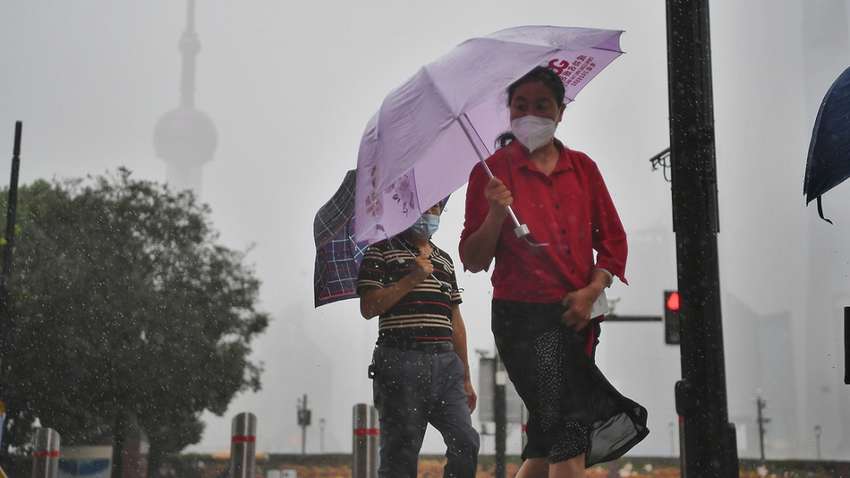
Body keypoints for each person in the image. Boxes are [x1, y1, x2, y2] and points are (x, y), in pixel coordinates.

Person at [459, 66, 648, 477]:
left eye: (542, 106)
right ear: (509, 111)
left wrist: (590, 291)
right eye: (520, 106)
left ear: (561, 111)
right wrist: (495, 213)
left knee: (549, 438)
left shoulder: (583, 169)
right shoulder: (490, 173)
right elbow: (473, 259)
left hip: (577, 316)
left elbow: (613, 243)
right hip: (522, 319)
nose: (531, 115)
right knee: (568, 431)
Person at [358, 199, 480, 478]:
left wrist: (465, 376)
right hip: (400, 360)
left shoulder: (444, 260)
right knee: (400, 455)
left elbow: (455, 319)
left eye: (436, 208)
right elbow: (369, 306)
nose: (430, 214)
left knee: (465, 441)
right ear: (406, 209)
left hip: (446, 363)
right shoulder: (380, 250)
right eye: (424, 208)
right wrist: (411, 279)